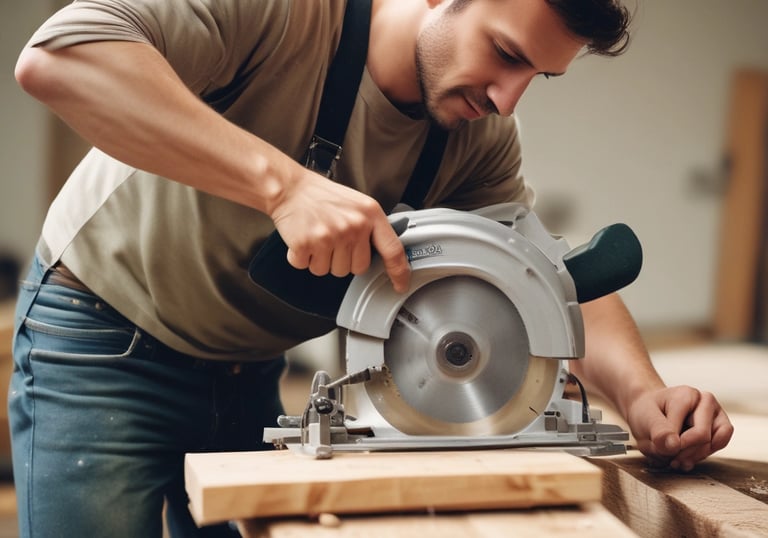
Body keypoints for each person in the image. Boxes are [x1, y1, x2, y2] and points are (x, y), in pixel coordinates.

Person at [11, 0, 733, 536]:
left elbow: (544, 278)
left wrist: (643, 398)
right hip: (102, 334)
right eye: (506, 54)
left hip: (247, 367)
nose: (509, 98)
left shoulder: (474, 133)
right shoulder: (286, 15)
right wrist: (284, 185)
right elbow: (58, 58)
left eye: (538, 75)